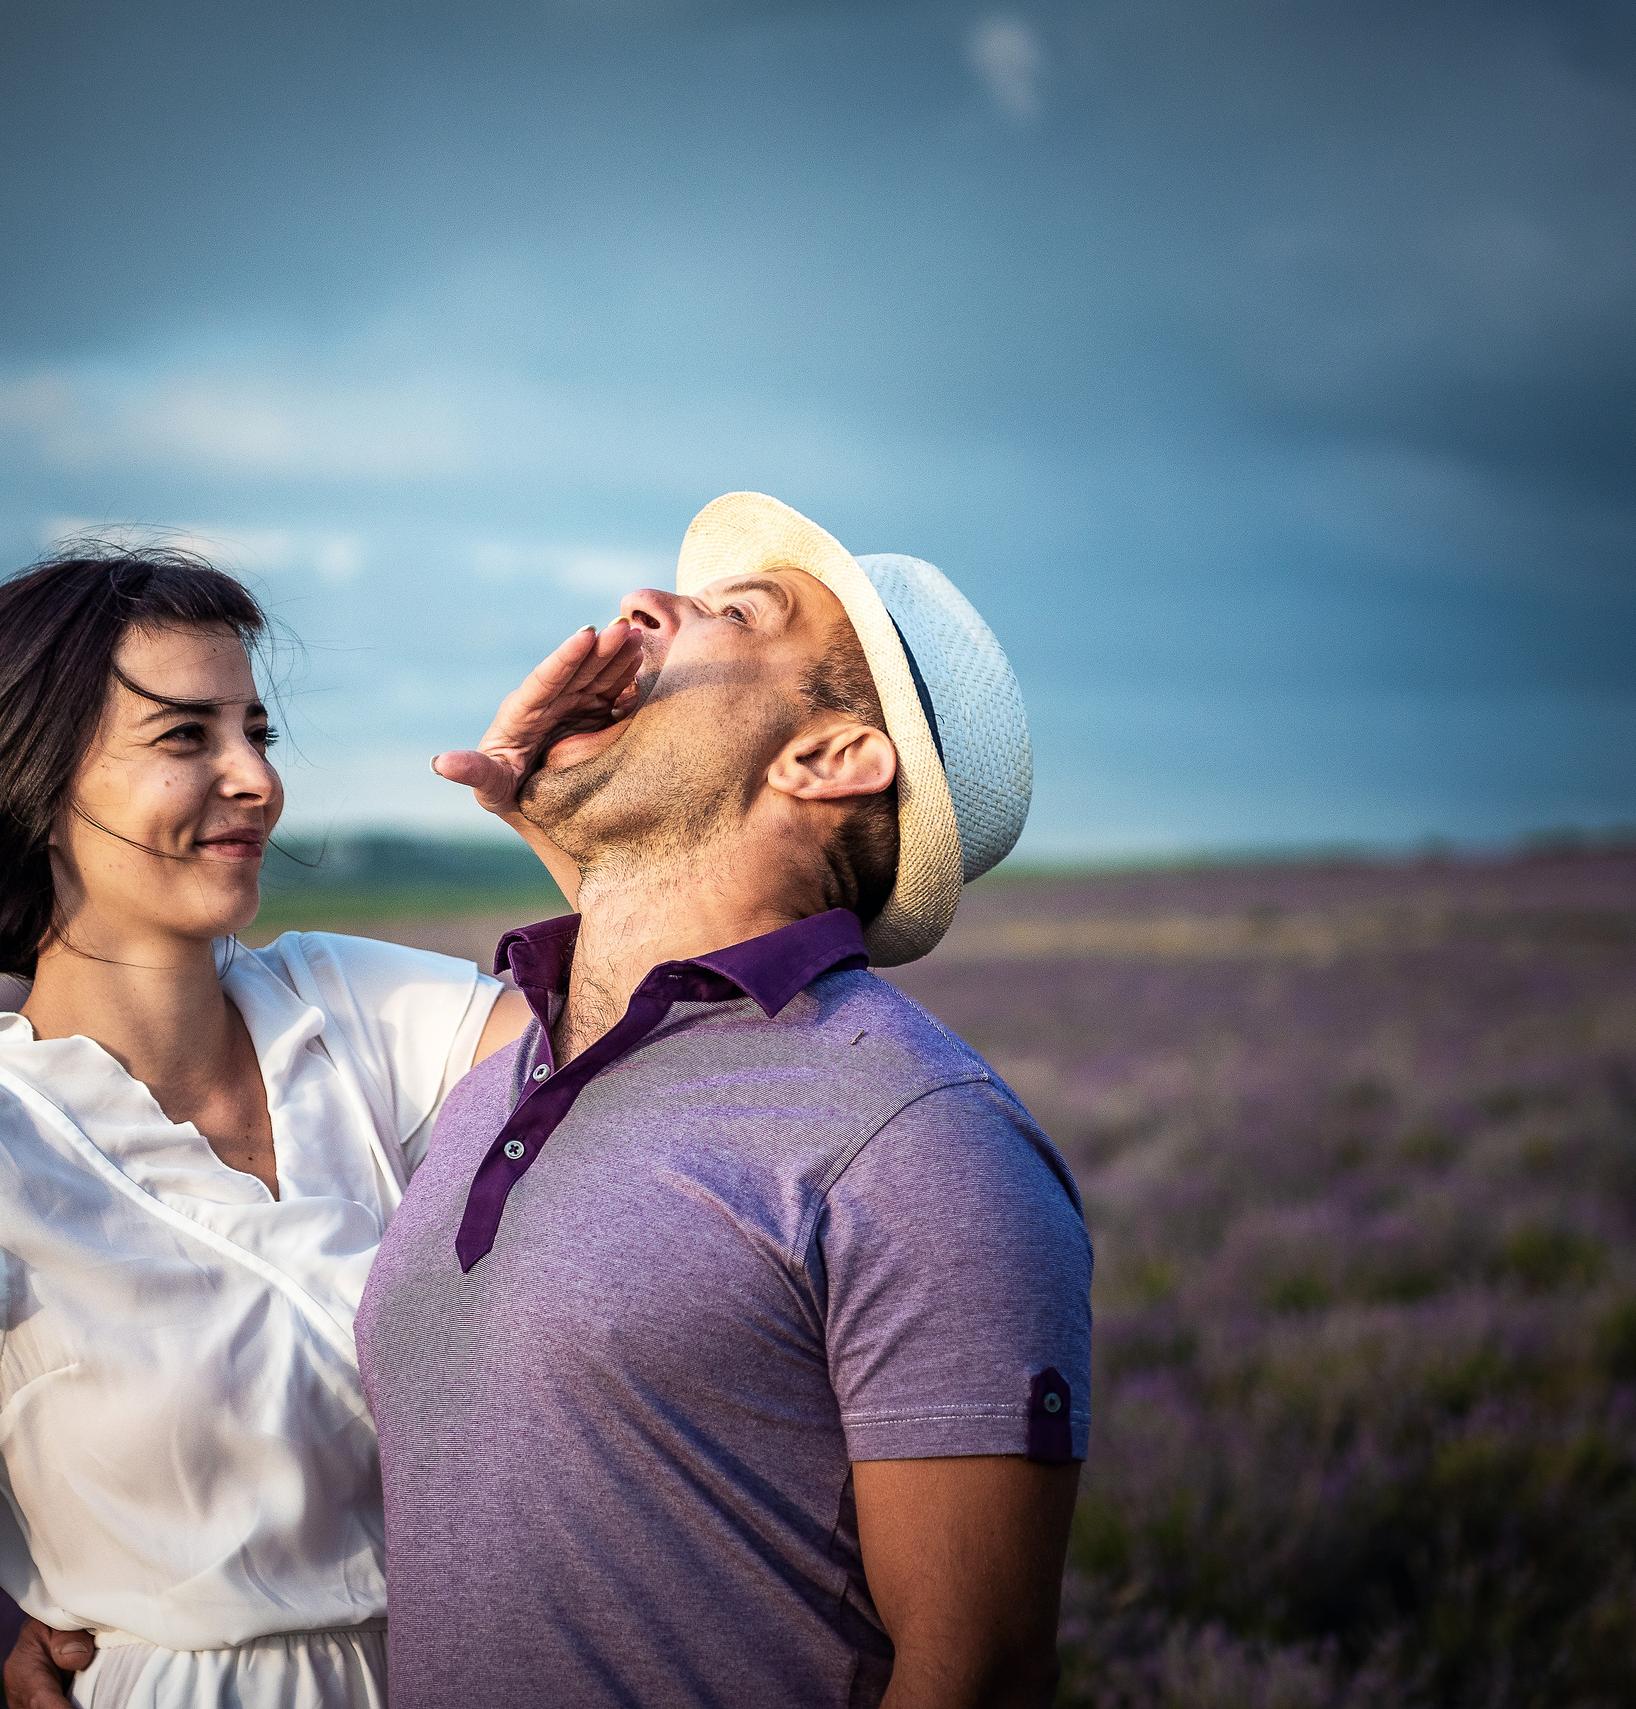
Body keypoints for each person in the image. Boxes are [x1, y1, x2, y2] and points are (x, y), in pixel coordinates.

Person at [0, 547, 602, 1709]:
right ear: (33, 785)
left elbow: (645, 1045)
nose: (255, 779)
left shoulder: (350, 1009)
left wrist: (561, 818)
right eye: (186, 736)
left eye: (257, 730)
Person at [355, 492, 1095, 1707]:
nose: (643, 607)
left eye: (735, 612)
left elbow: (978, 1673)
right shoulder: (502, 1077)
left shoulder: (917, 1138)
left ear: (827, 757)